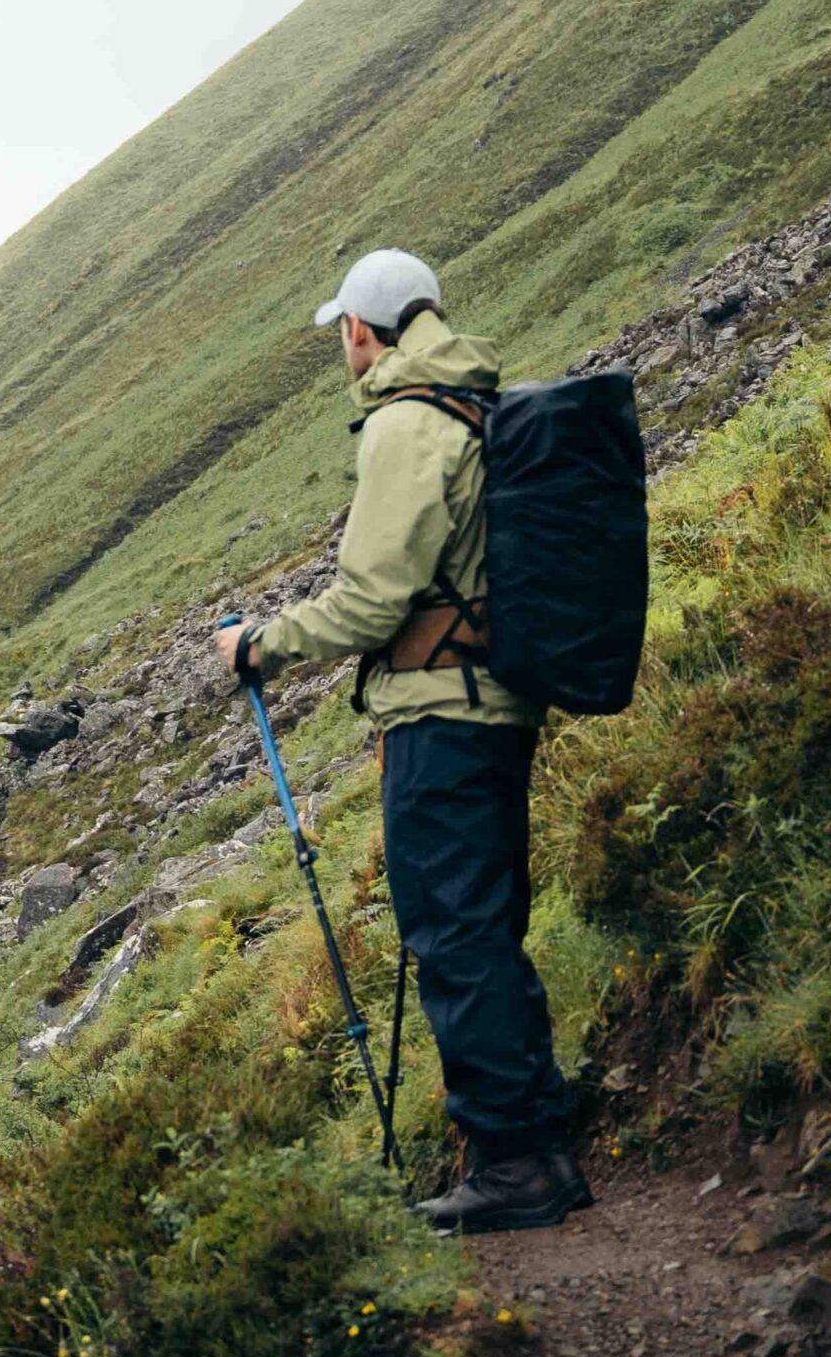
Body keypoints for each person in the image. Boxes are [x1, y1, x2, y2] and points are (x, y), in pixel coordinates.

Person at [214, 248, 592, 1235]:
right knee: (486, 926)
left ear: (360, 330)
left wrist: (261, 644)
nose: (341, 345)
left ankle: (515, 1166)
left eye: (341, 329)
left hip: (440, 717)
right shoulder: (470, 402)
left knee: (453, 933)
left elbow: (372, 600)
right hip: (495, 704)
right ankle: (537, 1140)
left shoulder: (405, 421)